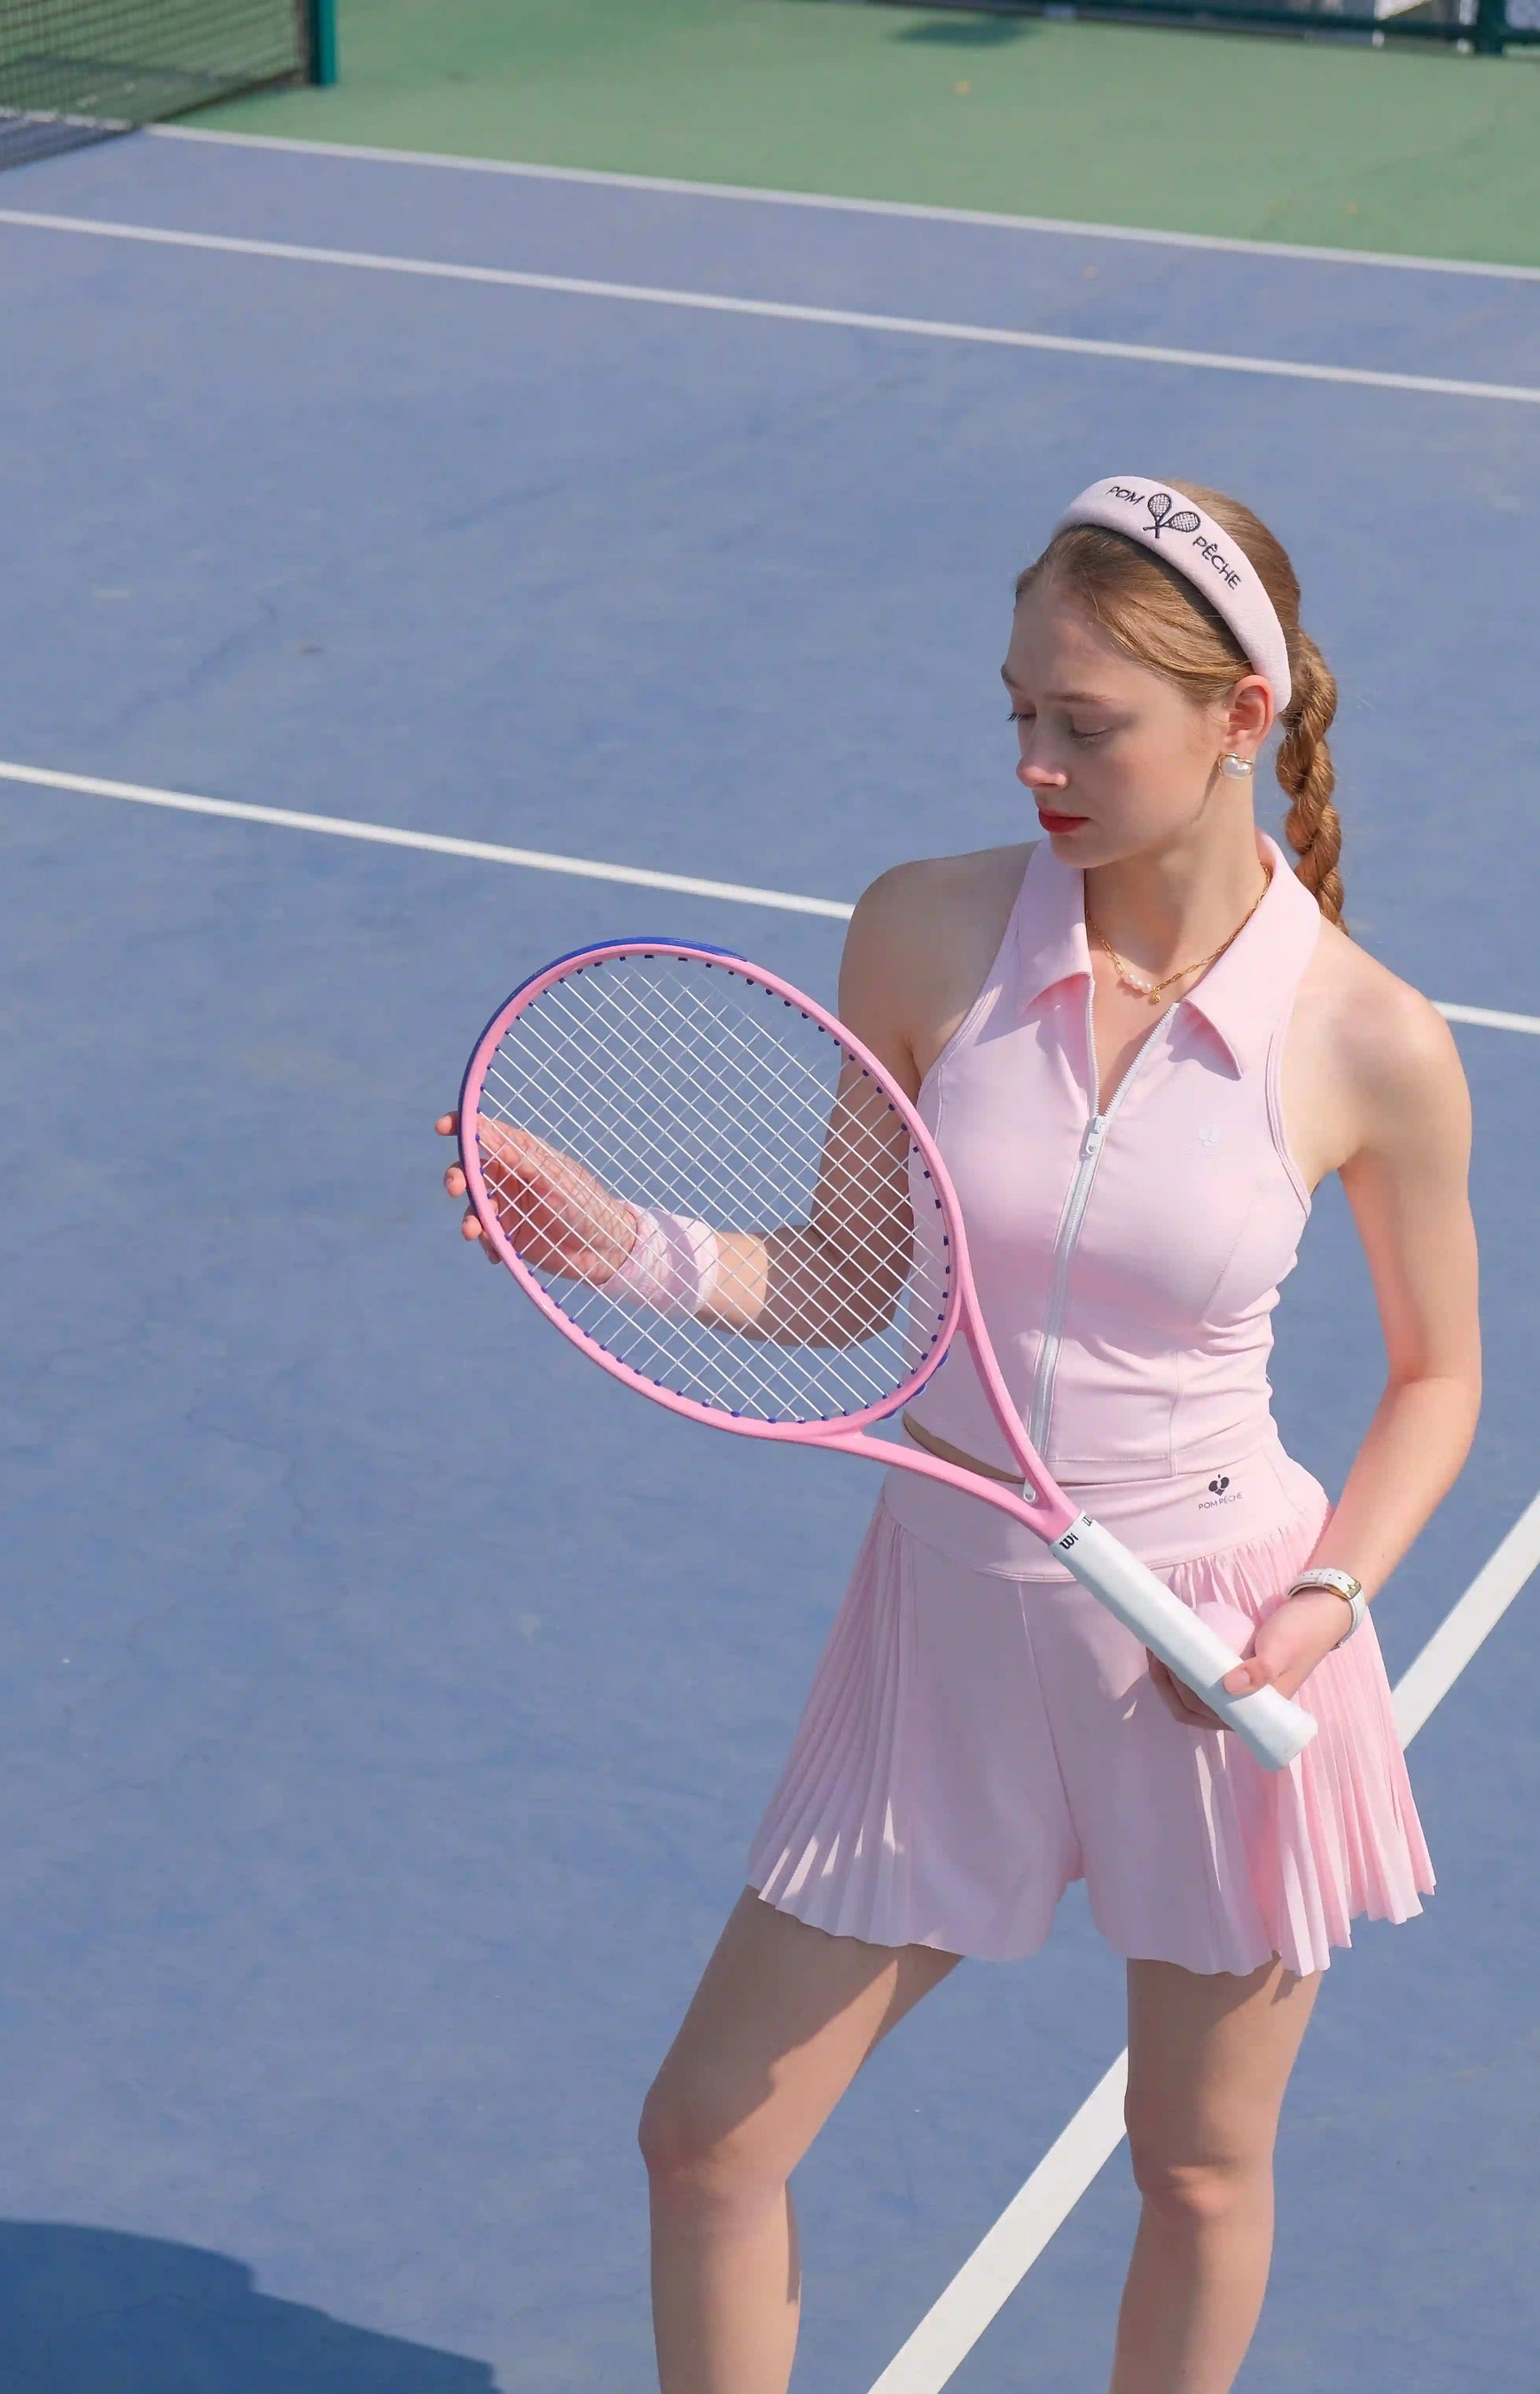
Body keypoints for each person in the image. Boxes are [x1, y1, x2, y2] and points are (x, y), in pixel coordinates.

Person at [438, 477, 1480, 2394]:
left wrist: (1332, 1595)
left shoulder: (1372, 1040)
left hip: (1225, 1638)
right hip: (946, 1620)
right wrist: (622, 1240)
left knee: (1195, 2169)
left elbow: (1442, 1380)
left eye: (1087, 725)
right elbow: (846, 1280)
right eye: (1016, 712)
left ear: (1240, 719)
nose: (1036, 765)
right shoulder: (924, 932)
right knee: (710, 2139)